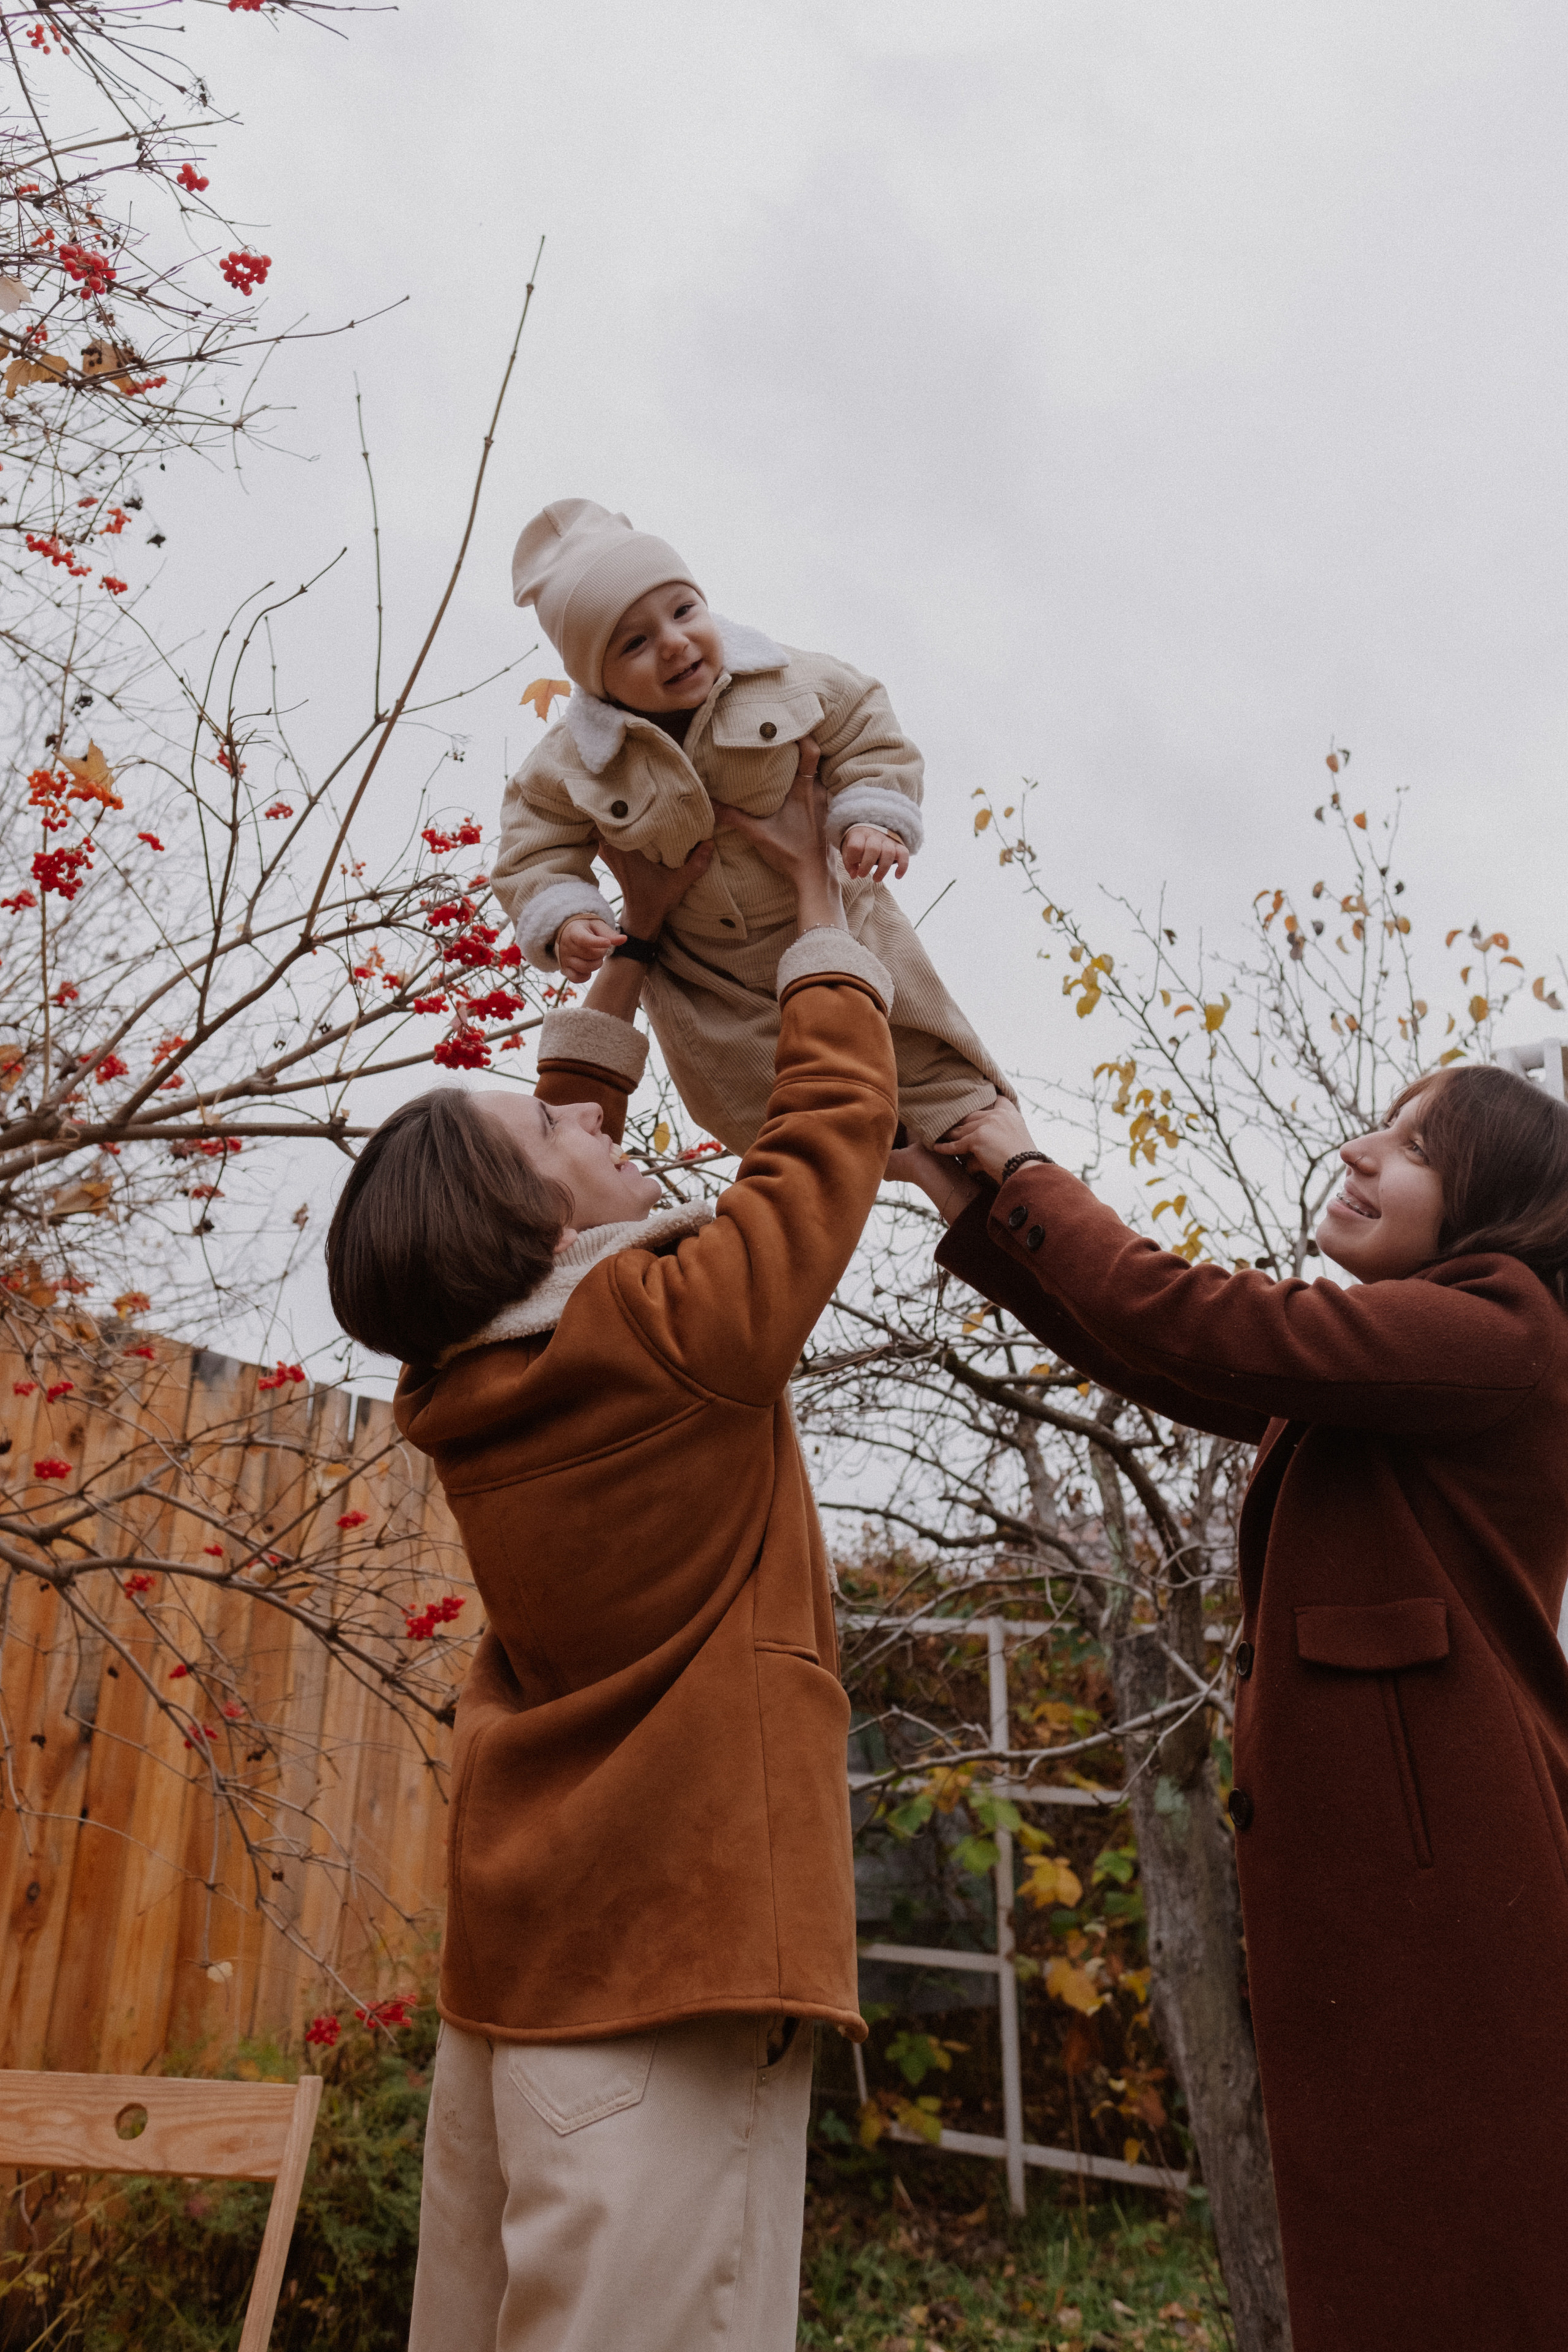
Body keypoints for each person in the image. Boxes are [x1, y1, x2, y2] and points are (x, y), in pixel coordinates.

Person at [325, 747, 897, 2352]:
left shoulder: (467, 1391)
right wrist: (823, 915)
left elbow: (557, 1174)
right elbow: (829, 1136)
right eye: (547, 1128)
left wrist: (630, 956)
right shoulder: (673, 1335)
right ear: (544, 1226)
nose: (582, 1114)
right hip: (671, 1980)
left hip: (526, 1978)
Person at [888, 1073, 1568, 2351]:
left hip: (1455, 1904)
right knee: (1413, 2255)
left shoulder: (1502, 1325)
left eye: (1413, 1146)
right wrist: (969, 1205)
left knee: (1467, 2264)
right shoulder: (1416, 1364)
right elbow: (1167, 1355)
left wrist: (1025, 1174)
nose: (1356, 1149)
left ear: (1495, 1200)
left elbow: (1209, 1324)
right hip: (1413, 1896)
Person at [489, 495, 1010, 1155]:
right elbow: (532, 845)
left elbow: (864, 723)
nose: (673, 642)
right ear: (599, 681)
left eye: (683, 610)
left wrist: (872, 813)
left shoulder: (780, 679)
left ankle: (1005, 1176)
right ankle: (875, 1163)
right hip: (711, 981)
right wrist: (567, 916)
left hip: (847, 923)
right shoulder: (571, 762)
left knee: (945, 1084)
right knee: (785, 1118)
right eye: (635, 642)